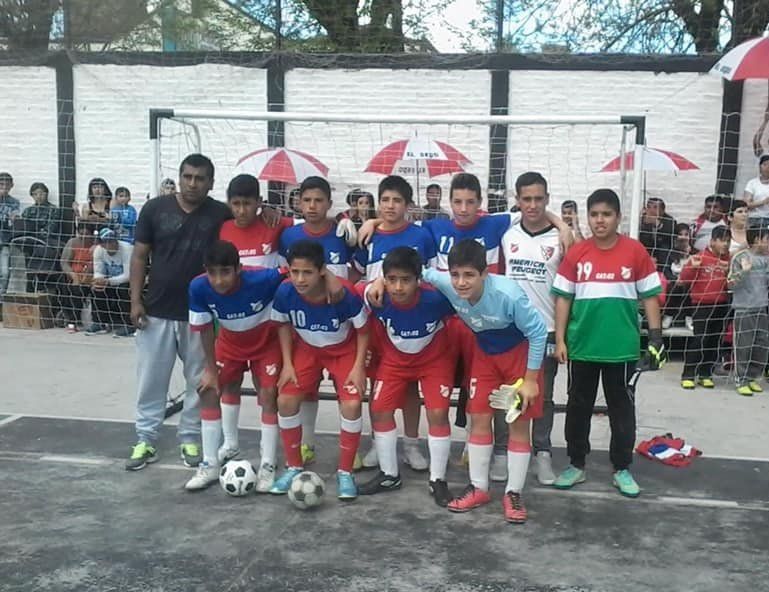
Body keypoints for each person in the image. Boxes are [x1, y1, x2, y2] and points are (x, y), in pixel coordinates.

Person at [418, 240, 546, 523]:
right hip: (485, 355)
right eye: (455, 274)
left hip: (518, 355)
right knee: (478, 417)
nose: (461, 282)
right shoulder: (446, 282)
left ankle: (513, 493)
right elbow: (419, 270)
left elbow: (538, 333)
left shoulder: (508, 295)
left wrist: (530, 380)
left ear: (485, 273)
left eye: (469, 275)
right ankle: (479, 488)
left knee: (518, 423)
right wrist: (378, 283)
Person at [552, 188, 664, 499]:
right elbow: (563, 299)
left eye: (606, 214)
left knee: (622, 410)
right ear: (587, 217)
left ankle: (622, 468)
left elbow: (650, 297)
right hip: (582, 347)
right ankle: (576, 464)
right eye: (594, 214)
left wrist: (656, 338)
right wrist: (560, 339)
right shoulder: (577, 253)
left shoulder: (635, 251)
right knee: (578, 407)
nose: (600, 220)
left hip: (622, 349)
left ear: (618, 217)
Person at [126, 154, 232, 471]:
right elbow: (139, 256)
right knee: (151, 380)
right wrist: (135, 300)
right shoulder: (154, 209)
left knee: (199, 381)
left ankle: (190, 438)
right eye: (187, 177)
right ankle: (146, 439)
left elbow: (247, 225)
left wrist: (268, 213)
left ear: (210, 183)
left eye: (200, 178)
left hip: (199, 314)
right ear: (180, 177)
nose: (192, 183)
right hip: (156, 310)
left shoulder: (220, 214)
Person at [357, 247, 457, 507]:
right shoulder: (376, 296)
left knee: (437, 413)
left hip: (434, 362)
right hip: (395, 362)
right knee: (379, 410)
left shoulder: (437, 299)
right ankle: (389, 475)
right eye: (392, 280)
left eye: (405, 280)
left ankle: (438, 479)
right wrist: (374, 283)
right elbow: (350, 291)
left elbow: (464, 298)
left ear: (418, 280)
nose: (398, 287)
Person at [184, 240, 287, 491]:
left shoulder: (265, 278)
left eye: (225, 272)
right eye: (212, 273)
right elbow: (205, 329)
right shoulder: (198, 287)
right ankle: (213, 461)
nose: (219, 280)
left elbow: (293, 271)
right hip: (229, 344)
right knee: (209, 390)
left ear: (238, 269)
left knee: (269, 394)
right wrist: (211, 370)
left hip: (266, 344)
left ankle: (268, 464)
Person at [270, 240, 368, 499]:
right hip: (307, 350)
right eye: (295, 272)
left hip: (343, 351)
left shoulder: (344, 293)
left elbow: (363, 330)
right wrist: (287, 364)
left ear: (322, 270)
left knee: (352, 405)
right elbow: (282, 325)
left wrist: (359, 367)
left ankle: (345, 472)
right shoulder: (285, 291)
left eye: (307, 272)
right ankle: (293, 466)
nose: (300, 279)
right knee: (285, 400)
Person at [353, 175, 435, 471]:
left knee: (410, 386)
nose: (390, 206)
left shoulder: (421, 236)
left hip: (410, 320)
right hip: (376, 323)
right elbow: (356, 277)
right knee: (377, 385)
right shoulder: (368, 235)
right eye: (385, 200)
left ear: (408, 205)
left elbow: (431, 278)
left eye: (397, 201)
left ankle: (412, 444)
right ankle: (380, 442)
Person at [499, 172, 562, 486]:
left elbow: (566, 292)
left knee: (543, 396)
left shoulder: (560, 238)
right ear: (518, 200)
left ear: (547, 199)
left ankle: (543, 453)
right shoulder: (507, 233)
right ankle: (501, 451)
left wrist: (561, 335)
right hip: (510, 329)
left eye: (539, 199)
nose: (533, 205)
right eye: (527, 199)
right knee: (506, 391)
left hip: (546, 328)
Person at [678, 226, 731, 390]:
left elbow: (732, 284)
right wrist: (692, 267)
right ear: (712, 241)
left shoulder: (730, 260)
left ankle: (705, 374)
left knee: (715, 341)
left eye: (728, 241)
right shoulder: (699, 257)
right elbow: (683, 280)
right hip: (701, 305)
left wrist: (728, 272)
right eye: (722, 240)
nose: (725, 244)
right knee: (700, 339)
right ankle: (688, 374)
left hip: (722, 304)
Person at [727, 226, 769, 396]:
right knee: (743, 346)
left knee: (762, 345)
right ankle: (741, 379)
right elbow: (730, 285)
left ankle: (752, 377)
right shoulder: (740, 257)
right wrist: (744, 272)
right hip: (744, 309)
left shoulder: (766, 259)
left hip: (761, 308)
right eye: (767, 239)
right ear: (757, 240)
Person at [86, 228, 134, 337]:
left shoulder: (127, 249)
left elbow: (128, 275)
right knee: (96, 288)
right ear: (101, 244)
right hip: (109, 281)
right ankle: (100, 322)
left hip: (127, 281)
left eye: (112, 240)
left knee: (124, 289)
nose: (110, 244)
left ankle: (130, 325)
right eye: (106, 242)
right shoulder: (98, 251)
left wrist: (108, 281)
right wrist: (99, 281)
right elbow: (98, 272)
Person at [59, 222, 95, 332]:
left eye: (87, 234)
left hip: (91, 275)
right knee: (75, 289)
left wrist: (88, 274)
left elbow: (96, 263)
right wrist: (73, 274)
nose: (83, 237)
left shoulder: (96, 245)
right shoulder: (72, 243)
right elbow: (64, 263)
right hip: (74, 275)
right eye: (81, 234)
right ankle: (72, 320)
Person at [639, 197, 676, 271]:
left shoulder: (669, 220)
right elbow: (642, 239)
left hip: (663, 251)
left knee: (664, 248)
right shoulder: (643, 219)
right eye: (649, 207)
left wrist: (657, 224)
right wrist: (642, 223)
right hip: (648, 250)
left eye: (655, 207)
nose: (651, 210)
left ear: (662, 210)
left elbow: (668, 235)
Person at [0, 172, 20, 298]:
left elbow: (15, 218)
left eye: (7, 185)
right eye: (1, 184)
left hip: (5, 242)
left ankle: (1, 300)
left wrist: (15, 218)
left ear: (12, 185)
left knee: (5, 272)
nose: (4, 187)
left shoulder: (14, 202)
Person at [743, 154, 769, 225]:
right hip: (755, 218)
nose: (767, 167)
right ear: (759, 167)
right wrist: (763, 202)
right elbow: (746, 204)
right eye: (765, 164)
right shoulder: (752, 183)